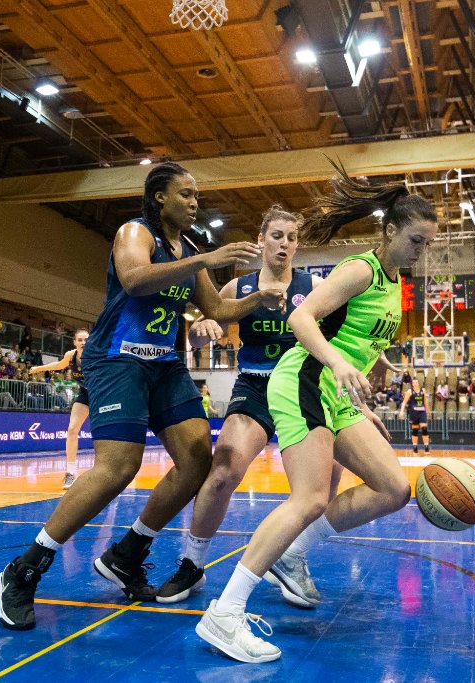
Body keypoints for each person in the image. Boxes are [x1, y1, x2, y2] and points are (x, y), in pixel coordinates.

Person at [0, 162, 284, 631]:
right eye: (185, 194)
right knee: (119, 467)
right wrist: (205, 260)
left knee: (196, 463)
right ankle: (23, 570)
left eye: (196, 195)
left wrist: (260, 299)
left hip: (164, 364)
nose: (194, 202)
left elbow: (216, 308)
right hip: (116, 359)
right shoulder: (135, 232)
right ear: (159, 198)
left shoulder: (187, 248)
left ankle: (128, 553)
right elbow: (134, 279)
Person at [195, 166, 437, 663]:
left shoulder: (393, 283)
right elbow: (300, 318)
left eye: (427, 243)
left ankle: (293, 550)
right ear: (390, 231)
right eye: (416, 240)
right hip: (303, 378)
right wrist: (340, 362)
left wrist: (375, 360)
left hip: (336, 394)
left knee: (393, 488)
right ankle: (225, 612)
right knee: (308, 498)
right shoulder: (360, 269)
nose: (421, 250)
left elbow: (355, 332)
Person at [156, 205, 333, 604]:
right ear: (261, 240)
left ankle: (291, 557)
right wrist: (201, 332)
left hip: (303, 387)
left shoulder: (314, 286)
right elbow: (203, 336)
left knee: (326, 484)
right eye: (277, 236)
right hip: (255, 385)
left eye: (291, 237)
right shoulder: (238, 288)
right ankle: (191, 564)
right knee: (221, 473)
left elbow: (332, 338)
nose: (284, 244)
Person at [28, 329, 90, 489]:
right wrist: (39, 369)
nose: (83, 343)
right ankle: (70, 473)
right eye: (80, 340)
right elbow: (59, 365)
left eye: (86, 340)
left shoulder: (98, 354)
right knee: (72, 430)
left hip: (103, 395)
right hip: (85, 394)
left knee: (105, 434)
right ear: (75, 342)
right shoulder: (71, 355)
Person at [399, 379, 431, 453]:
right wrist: (401, 412)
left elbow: (425, 402)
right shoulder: (410, 391)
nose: (415, 384)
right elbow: (404, 403)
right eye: (414, 383)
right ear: (412, 384)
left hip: (422, 412)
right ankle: (415, 447)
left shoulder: (423, 390)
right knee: (415, 430)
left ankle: (426, 447)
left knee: (424, 429)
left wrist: (428, 411)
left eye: (416, 382)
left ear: (418, 383)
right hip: (413, 413)